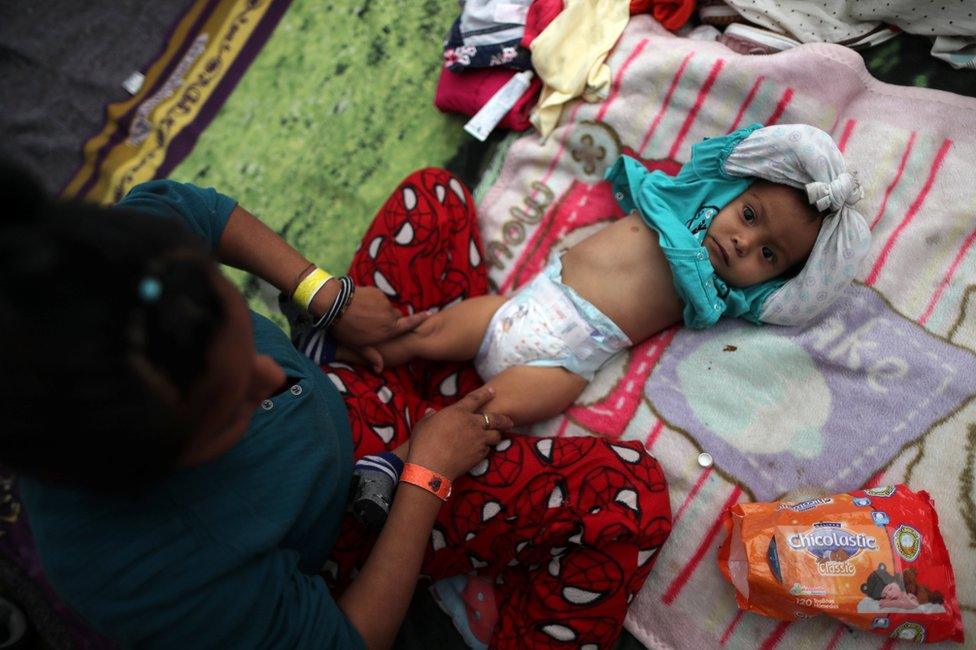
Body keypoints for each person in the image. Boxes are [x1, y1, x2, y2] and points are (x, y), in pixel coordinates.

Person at [0, 165, 672, 649]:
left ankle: (415, 397)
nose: (273, 373)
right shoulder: (150, 573)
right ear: (148, 468)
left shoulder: (110, 278)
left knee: (432, 199)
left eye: (244, 330)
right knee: (629, 497)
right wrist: (425, 476)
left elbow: (190, 208)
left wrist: (324, 295)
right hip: (365, 520)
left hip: (357, 389)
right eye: (235, 408)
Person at [352, 124, 872, 428]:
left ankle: (404, 456)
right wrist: (814, 167)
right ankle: (355, 362)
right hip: (521, 304)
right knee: (426, 332)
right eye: (750, 216)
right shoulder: (685, 196)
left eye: (768, 255)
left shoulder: (722, 295)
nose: (743, 242)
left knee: (477, 419)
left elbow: (799, 300)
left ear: (773, 280)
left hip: (563, 362)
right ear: (731, 193)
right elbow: (740, 152)